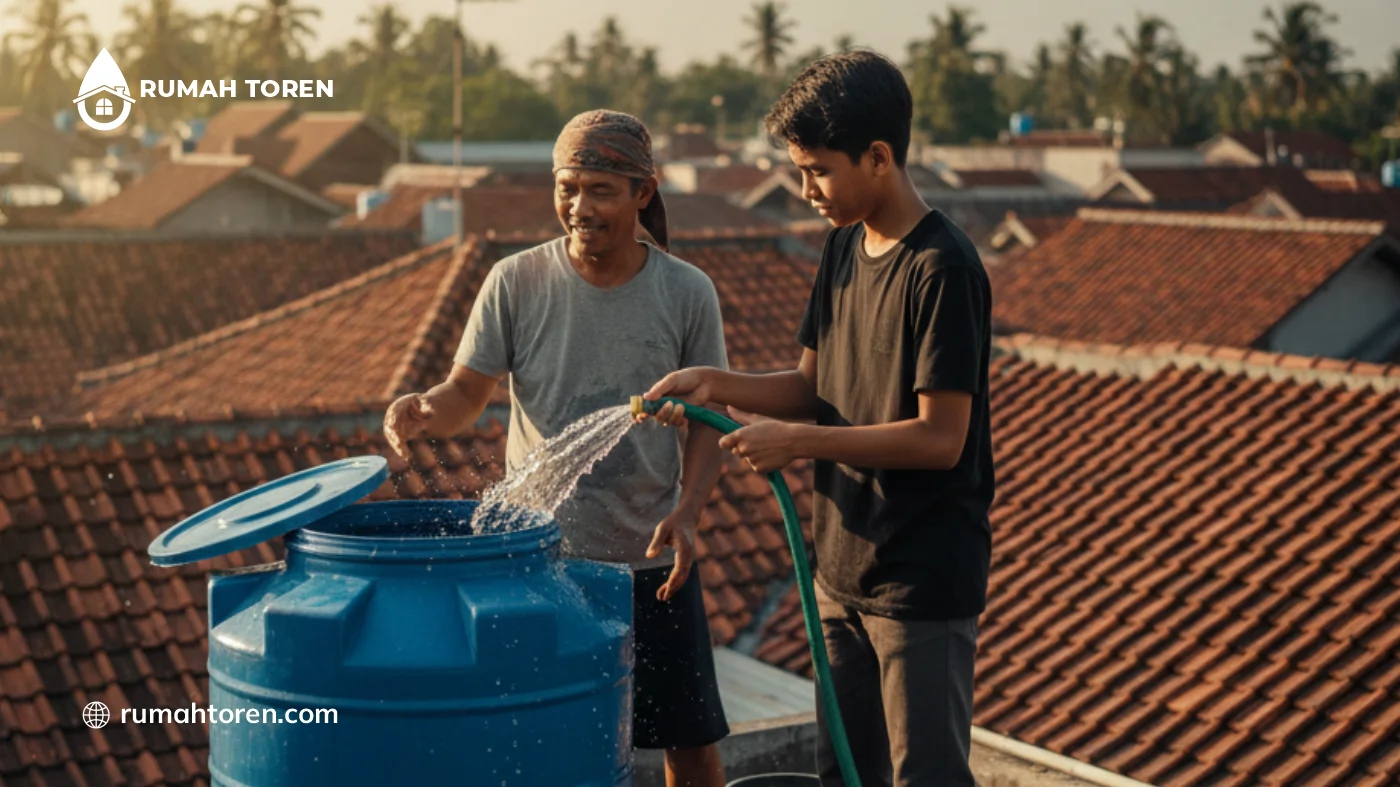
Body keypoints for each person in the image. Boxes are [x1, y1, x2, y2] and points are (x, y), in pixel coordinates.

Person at [639, 51, 994, 787]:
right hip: (840, 572)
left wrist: (798, 445)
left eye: (817, 170)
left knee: (923, 774)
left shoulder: (942, 268)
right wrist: (717, 381)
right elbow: (810, 388)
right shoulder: (841, 248)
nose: (805, 190)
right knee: (843, 774)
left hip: (918, 580)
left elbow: (940, 438)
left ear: (879, 156)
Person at [384, 110, 730, 787]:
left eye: (601, 189)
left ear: (644, 192)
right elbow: (466, 393)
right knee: (545, 737)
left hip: (650, 566)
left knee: (688, 746)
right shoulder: (516, 282)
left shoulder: (686, 292)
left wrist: (687, 513)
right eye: (567, 187)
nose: (579, 207)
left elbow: (708, 421)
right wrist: (426, 410)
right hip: (543, 569)